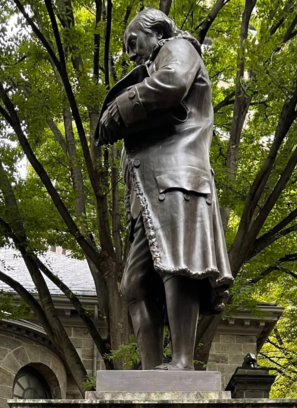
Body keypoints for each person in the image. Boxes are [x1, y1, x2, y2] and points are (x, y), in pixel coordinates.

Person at [96, 9, 232, 371]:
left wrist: (118, 110)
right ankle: (150, 371)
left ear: (155, 33)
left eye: (133, 42)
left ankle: (183, 362)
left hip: (178, 179)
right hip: (151, 193)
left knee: (177, 265)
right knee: (134, 285)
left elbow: (171, 83)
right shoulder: (154, 61)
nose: (130, 53)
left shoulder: (177, 48)